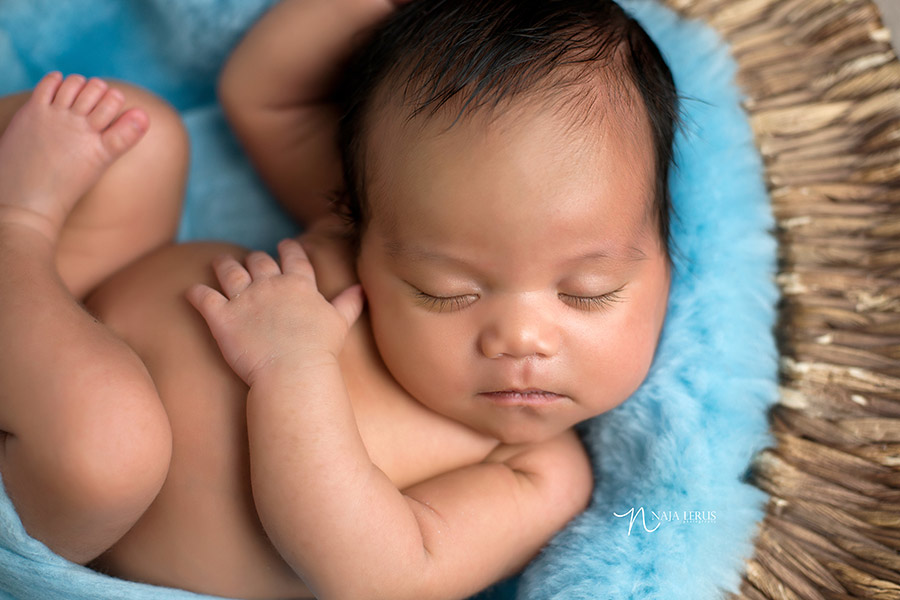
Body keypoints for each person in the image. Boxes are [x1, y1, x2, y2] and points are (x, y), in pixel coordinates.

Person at [0, 0, 676, 598]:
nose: (523, 338)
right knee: (129, 130)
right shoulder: (387, 222)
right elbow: (266, 94)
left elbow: (384, 578)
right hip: (73, 301)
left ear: (670, 262)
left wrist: (294, 371)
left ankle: (16, 226)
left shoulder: (538, 471)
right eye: (446, 291)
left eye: (588, 293)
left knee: (109, 449)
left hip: (58, 491)